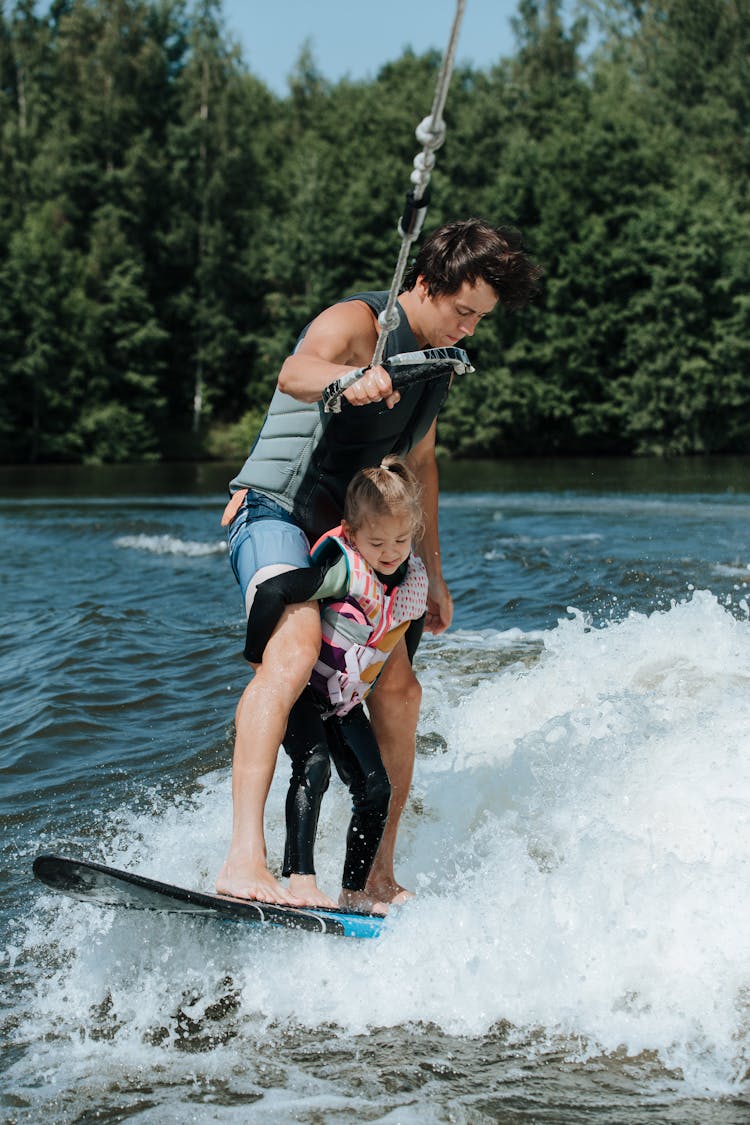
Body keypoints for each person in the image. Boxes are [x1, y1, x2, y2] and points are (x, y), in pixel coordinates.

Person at [217, 217, 543, 907]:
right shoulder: (356, 323)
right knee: (297, 648)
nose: (469, 329)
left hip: (356, 536)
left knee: (400, 692)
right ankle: (244, 860)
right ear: (426, 283)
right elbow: (294, 371)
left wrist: (436, 571)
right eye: (462, 311)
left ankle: (376, 875)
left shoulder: (438, 367)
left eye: (481, 319)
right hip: (277, 510)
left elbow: (420, 464)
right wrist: (349, 378)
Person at [243, 458, 428, 913]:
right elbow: (273, 594)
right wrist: (256, 661)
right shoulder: (342, 567)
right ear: (351, 532)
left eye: (402, 540)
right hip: (305, 694)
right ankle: (299, 881)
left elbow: (407, 633)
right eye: (377, 542)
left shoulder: (411, 582)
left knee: (375, 789)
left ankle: (354, 890)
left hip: (343, 705)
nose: (390, 552)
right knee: (315, 766)